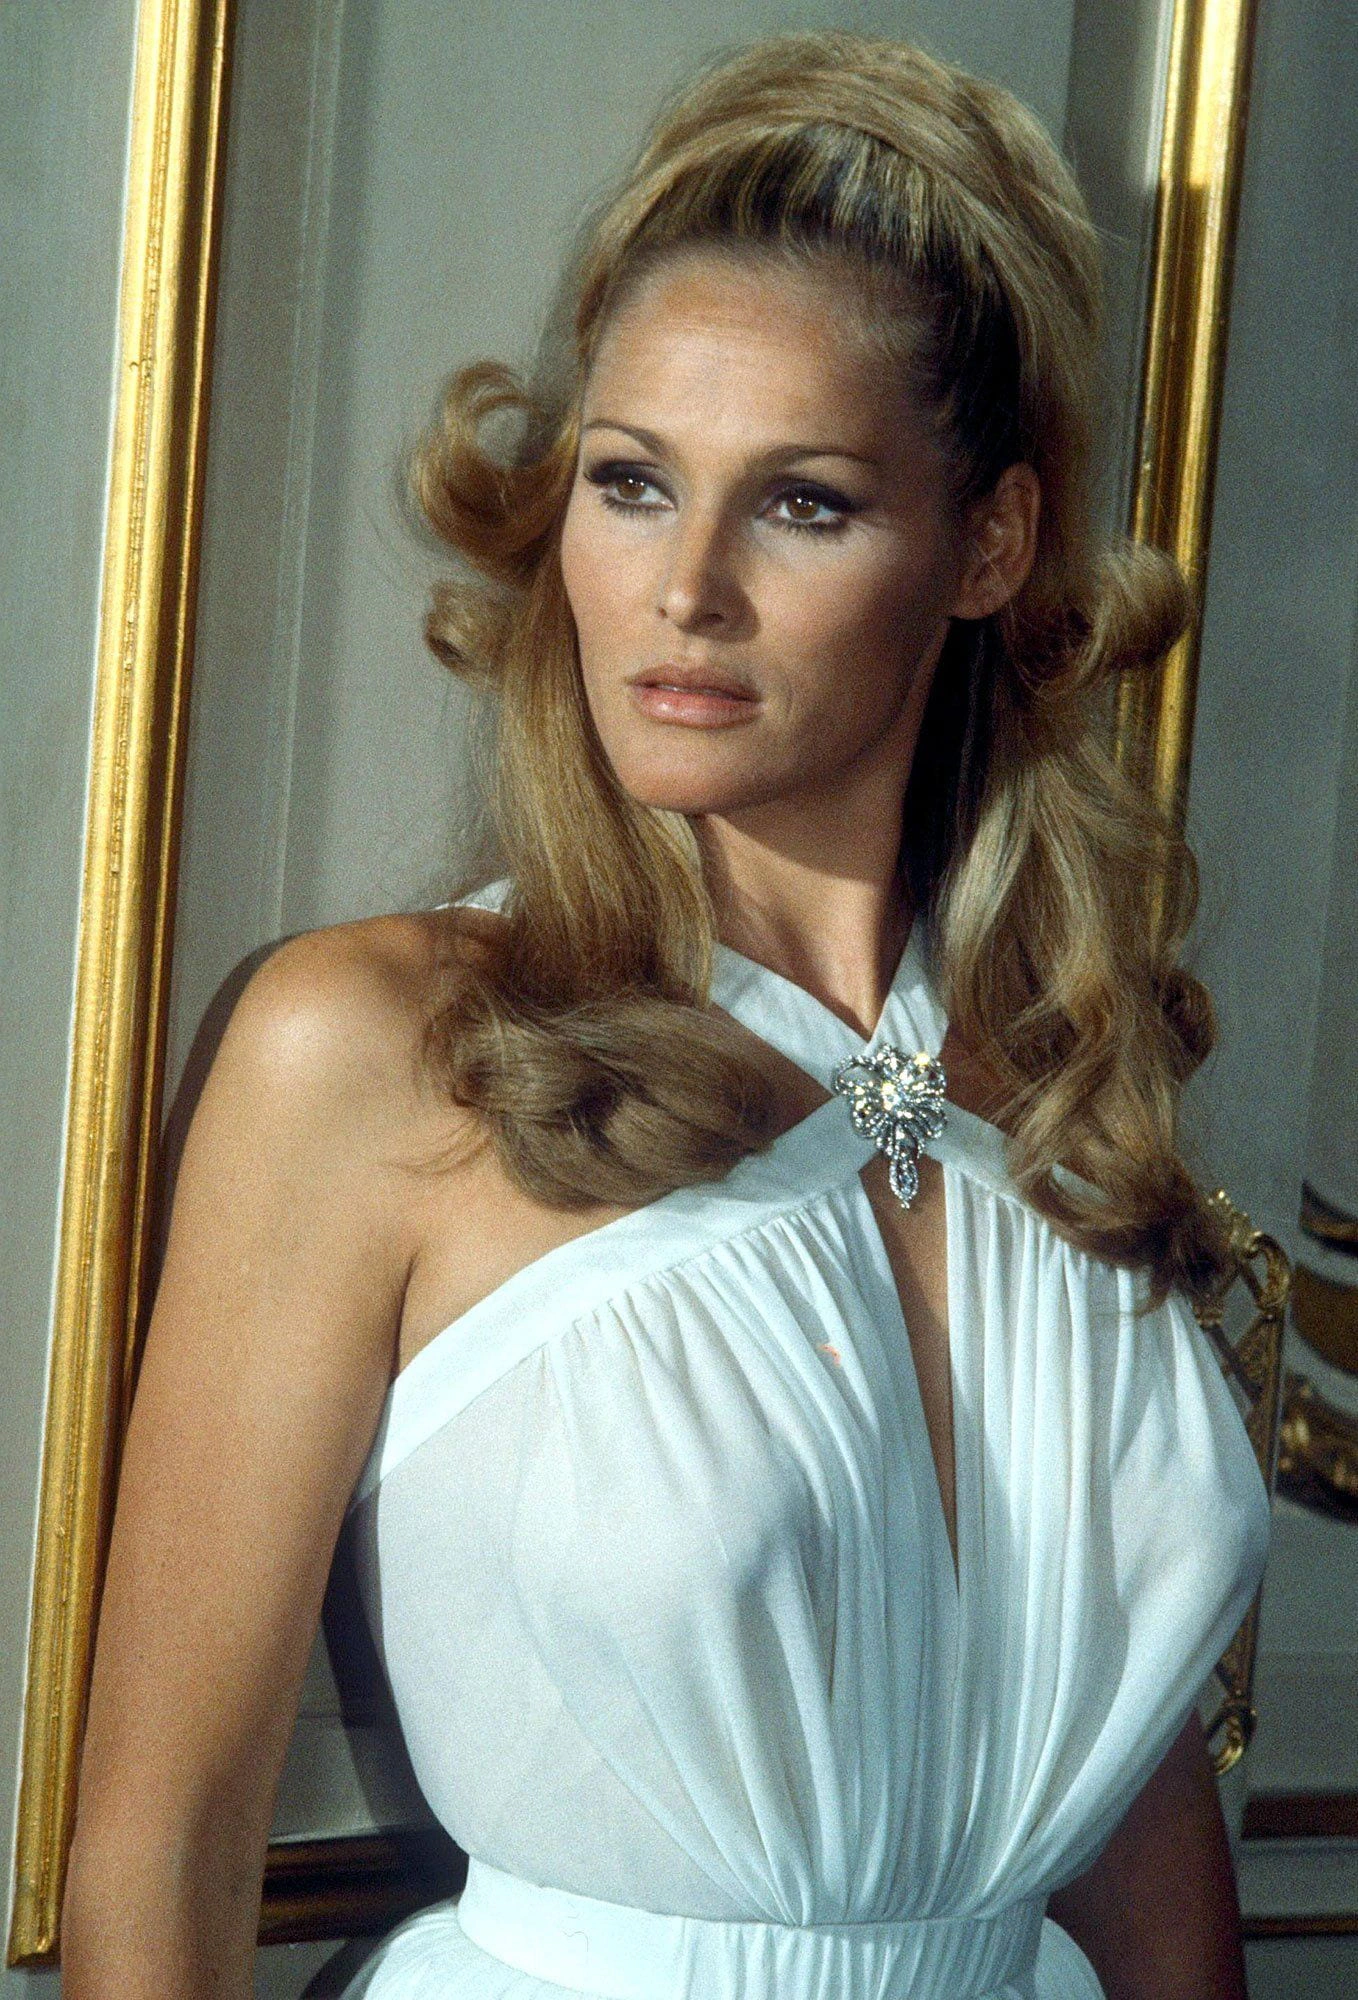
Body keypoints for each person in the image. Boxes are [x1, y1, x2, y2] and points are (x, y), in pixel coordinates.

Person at [61, 28, 1271, 2000]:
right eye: (631, 484)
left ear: (986, 544)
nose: (683, 587)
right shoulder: (378, 1049)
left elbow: (1130, 1827)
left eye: (800, 505)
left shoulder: (1062, 1075)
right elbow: (161, 1844)